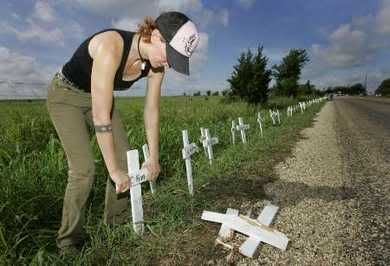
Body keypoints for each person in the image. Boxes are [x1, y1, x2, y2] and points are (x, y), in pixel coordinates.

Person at [46, 11, 200, 254]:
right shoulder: (112, 47)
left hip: (100, 99)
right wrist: (113, 171)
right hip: (66, 96)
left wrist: (154, 158)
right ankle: (68, 242)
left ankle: (114, 224)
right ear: (157, 36)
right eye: (171, 55)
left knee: (125, 160)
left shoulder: (157, 67)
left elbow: (151, 111)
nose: (170, 63)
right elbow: (100, 117)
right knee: (84, 170)